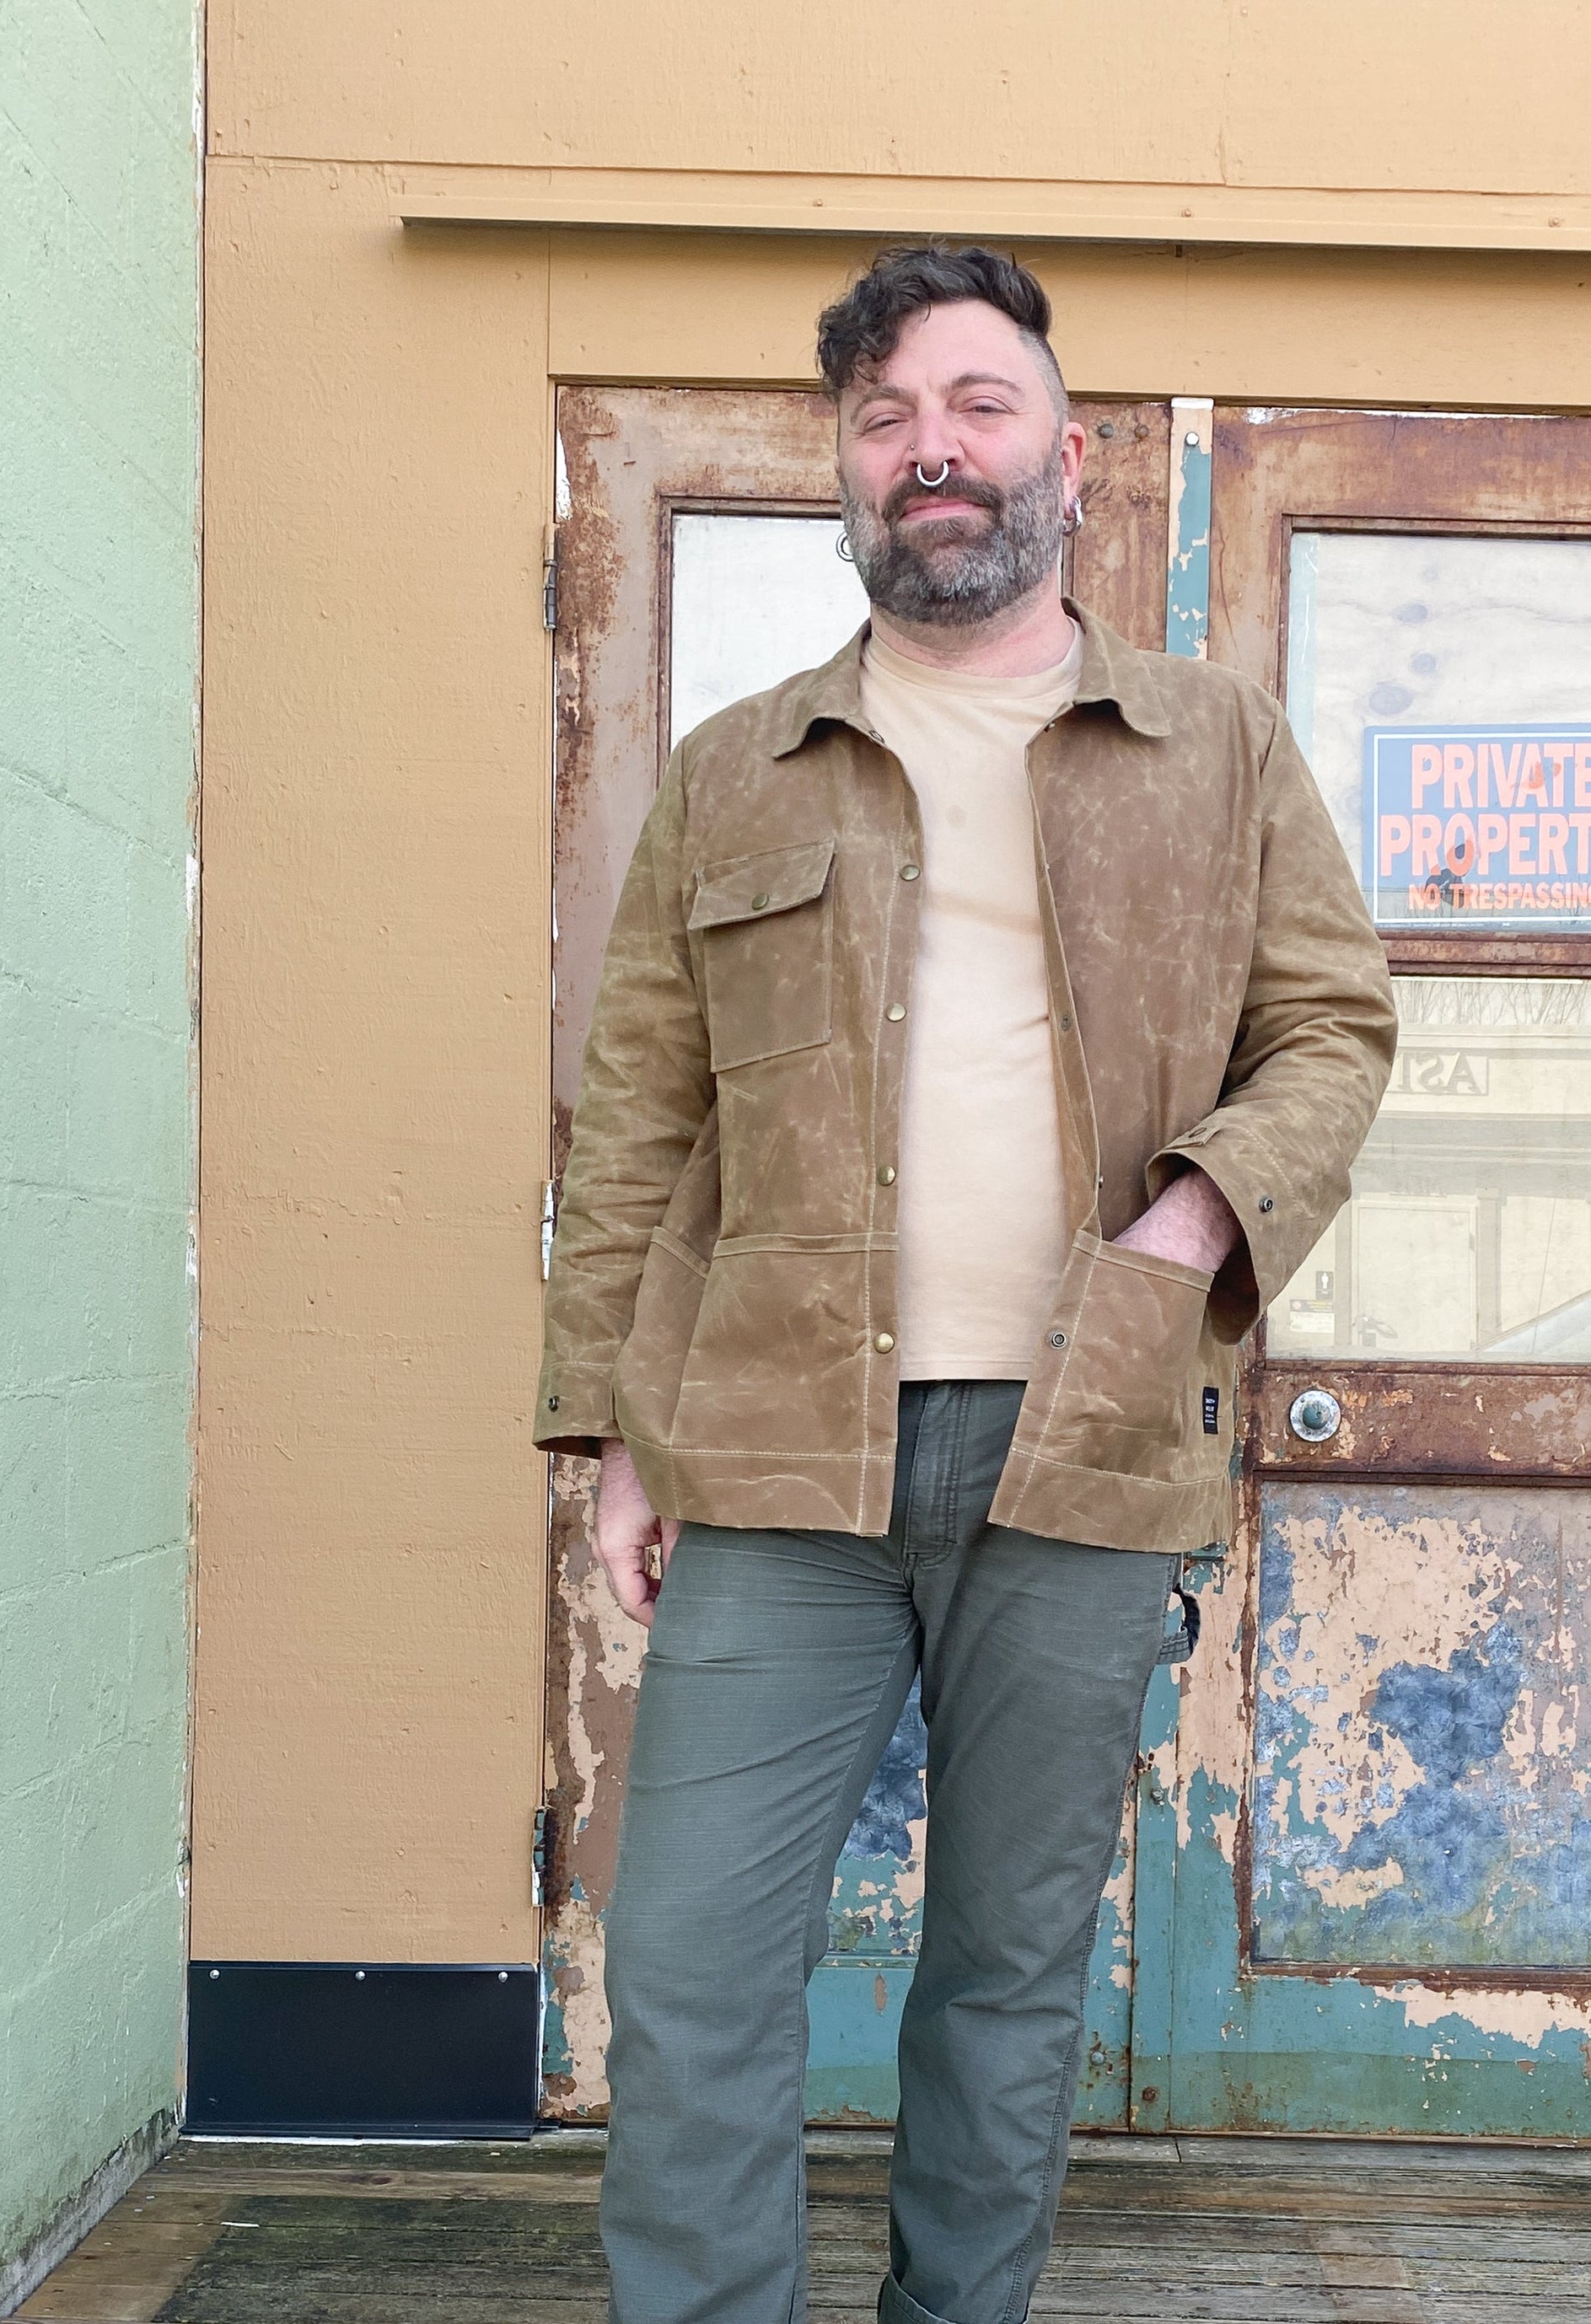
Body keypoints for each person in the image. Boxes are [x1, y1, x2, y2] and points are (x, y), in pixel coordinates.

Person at [535, 244, 1395, 2324]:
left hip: (1084, 1444)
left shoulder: (1216, 746)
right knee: (688, 1962)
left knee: (1007, 1975)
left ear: (1064, 457)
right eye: (885, 415)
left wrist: (1189, 1224)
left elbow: (1331, 1027)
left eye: (976, 404)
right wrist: (613, 1432)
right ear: (848, 467)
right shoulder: (734, 770)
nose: (931, 446)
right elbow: (640, 1120)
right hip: (769, 1450)